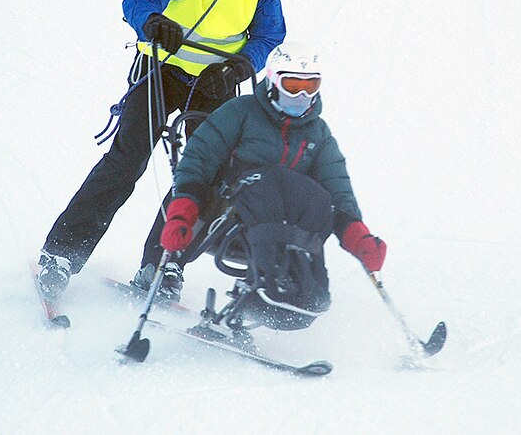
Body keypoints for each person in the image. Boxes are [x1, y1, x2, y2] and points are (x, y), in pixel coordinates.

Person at [36, 0, 286, 302]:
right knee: (126, 162)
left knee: (200, 177)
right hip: (162, 70)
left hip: (214, 83)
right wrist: (153, 21)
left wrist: (242, 63)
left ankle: (164, 263)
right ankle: (60, 255)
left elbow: (269, 32)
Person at [144, 41, 387, 326]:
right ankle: (161, 266)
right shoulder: (241, 112)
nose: (301, 95)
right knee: (269, 182)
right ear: (273, 82)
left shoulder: (318, 134)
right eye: (292, 85)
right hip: (228, 213)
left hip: (281, 229)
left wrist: (357, 236)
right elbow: (200, 158)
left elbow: (337, 189)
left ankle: (298, 296)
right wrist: (183, 210)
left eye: (310, 86)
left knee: (317, 198)